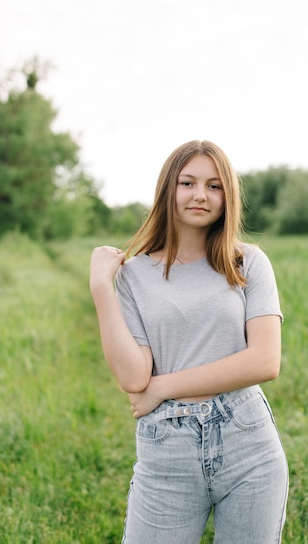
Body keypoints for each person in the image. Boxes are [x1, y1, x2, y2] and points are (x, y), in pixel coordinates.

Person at [89, 140, 288, 543]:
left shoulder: (247, 261)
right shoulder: (134, 275)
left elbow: (265, 361)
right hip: (168, 446)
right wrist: (100, 287)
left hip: (247, 441)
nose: (200, 195)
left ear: (227, 195)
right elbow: (133, 376)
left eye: (214, 186)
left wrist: (162, 387)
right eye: (188, 182)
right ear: (168, 190)